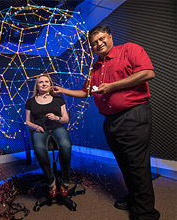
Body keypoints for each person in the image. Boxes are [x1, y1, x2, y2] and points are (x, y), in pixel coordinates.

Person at [52, 25, 160, 220]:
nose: (99, 44)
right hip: (111, 121)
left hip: (133, 115)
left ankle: (146, 213)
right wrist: (62, 91)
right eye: (94, 43)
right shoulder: (95, 67)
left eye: (102, 39)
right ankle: (135, 198)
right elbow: (86, 92)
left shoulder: (129, 49)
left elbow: (147, 73)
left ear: (110, 37)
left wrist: (111, 87)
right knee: (125, 164)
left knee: (137, 165)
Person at [25, 75, 73, 198]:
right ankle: (51, 182)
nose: (44, 84)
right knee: (39, 149)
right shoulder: (30, 102)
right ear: (37, 85)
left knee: (66, 145)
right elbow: (28, 122)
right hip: (40, 129)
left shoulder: (59, 99)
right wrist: (35, 127)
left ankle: (65, 180)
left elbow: (66, 119)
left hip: (57, 127)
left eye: (46, 81)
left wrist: (56, 118)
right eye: (41, 82)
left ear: (50, 84)